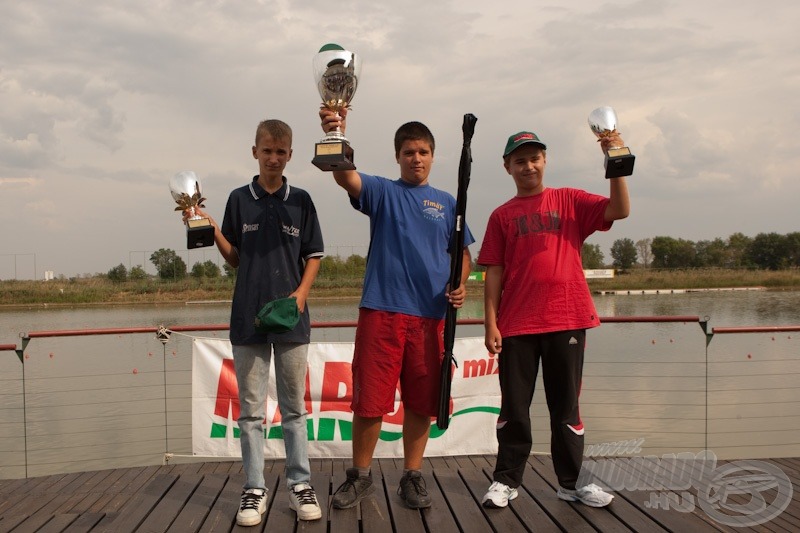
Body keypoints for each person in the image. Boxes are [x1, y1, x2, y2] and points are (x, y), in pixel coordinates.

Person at [319, 108, 474, 510]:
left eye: (423, 151)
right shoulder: (383, 192)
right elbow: (344, 176)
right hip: (382, 312)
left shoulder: (447, 203)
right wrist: (336, 133)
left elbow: (464, 255)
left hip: (430, 319)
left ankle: (412, 476)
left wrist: (461, 283)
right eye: (408, 152)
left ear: (433, 156)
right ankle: (361, 477)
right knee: (370, 402)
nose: (416, 158)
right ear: (397, 157)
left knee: (422, 403)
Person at [478, 130, 630, 509]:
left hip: (568, 318)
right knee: (514, 409)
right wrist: (490, 323)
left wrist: (616, 163)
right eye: (519, 161)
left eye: (534, 158)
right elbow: (493, 272)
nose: (528, 166)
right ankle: (505, 481)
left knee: (566, 408)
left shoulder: (570, 200)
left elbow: (620, 209)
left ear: (545, 160)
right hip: (517, 325)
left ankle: (572, 483)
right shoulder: (501, 215)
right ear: (507, 167)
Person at [184, 119, 324, 526]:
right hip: (248, 316)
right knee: (250, 412)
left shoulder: (302, 200)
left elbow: (313, 255)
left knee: (294, 410)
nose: (274, 158)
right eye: (267, 151)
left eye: (281, 152)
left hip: (291, 320)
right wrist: (210, 227)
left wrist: (300, 296)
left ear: (290, 156)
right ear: (255, 152)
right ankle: (254, 488)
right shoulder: (237, 200)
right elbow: (235, 257)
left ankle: (300, 484)